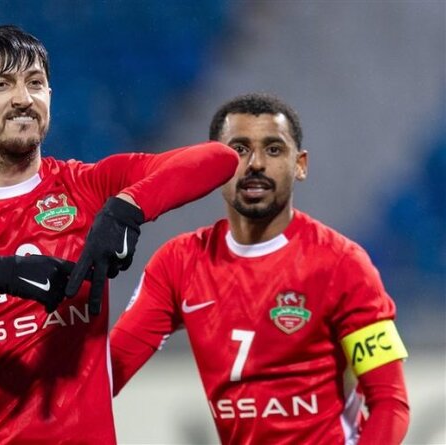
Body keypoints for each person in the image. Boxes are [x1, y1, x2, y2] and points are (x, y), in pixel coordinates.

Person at [0, 25, 239, 444]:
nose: (23, 99)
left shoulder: (88, 187)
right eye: (1, 85)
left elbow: (219, 158)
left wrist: (128, 208)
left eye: (35, 83)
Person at [110, 93, 410, 444]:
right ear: (213, 166)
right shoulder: (179, 263)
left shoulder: (343, 264)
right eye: (239, 149)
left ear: (300, 165)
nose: (255, 163)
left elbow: (390, 402)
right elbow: (108, 374)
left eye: (273, 149)